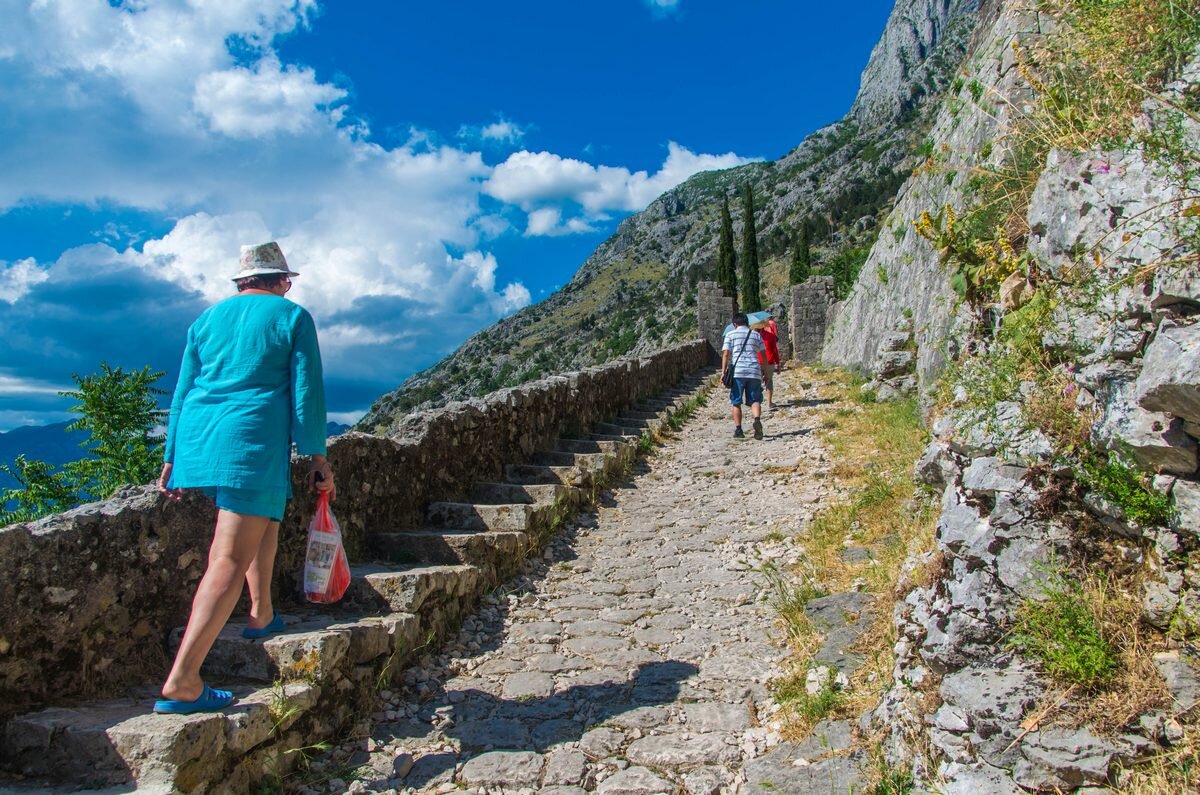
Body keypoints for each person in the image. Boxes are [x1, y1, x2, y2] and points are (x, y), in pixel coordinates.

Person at [154, 241, 335, 715]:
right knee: (228, 556)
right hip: (250, 439)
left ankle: (262, 612)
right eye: (287, 282)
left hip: (199, 436)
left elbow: (183, 389)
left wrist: (172, 453)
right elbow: (305, 391)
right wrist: (317, 455)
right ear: (283, 282)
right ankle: (184, 678)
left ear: (240, 283)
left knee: (265, 519)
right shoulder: (291, 317)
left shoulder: (205, 320)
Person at [721, 312, 766, 440]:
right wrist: (765, 372)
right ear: (748, 323)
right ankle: (756, 419)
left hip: (738, 373)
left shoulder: (730, 335)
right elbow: (763, 355)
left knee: (736, 402)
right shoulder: (756, 335)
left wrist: (723, 372)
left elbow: (726, 354)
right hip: (754, 371)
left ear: (735, 324)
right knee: (755, 400)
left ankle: (739, 429)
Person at [757, 319, 781, 411]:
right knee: (769, 382)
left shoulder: (753, 336)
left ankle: (757, 402)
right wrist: (778, 363)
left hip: (757, 362)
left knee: (757, 383)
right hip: (769, 361)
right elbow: (774, 350)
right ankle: (769, 403)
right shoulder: (771, 336)